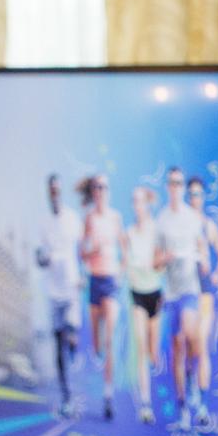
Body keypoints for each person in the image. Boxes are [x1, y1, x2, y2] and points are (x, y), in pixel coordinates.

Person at [153, 167, 207, 430]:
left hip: (190, 290)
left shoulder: (192, 218)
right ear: (167, 187)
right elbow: (155, 261)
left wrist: (205, 260)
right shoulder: (161, 221)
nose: (176, 187)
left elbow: (201, 245)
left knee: (190, 336)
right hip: (171, 293)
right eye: (172, 183)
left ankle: (194, 385)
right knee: (177, 348)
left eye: (179, 183)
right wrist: (165, 258)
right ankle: (183, 405)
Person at [33, 173, 84, 419]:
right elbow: (39, 256)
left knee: (71, 335)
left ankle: (74, 349)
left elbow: (81, 250)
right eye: (51, 191)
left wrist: (82, 275)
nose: (55, 195)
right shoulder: (43, 223)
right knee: (58, 345)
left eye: (58, 190)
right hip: (53, 294)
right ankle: (67, 398)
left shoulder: (72, 220)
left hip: (71, 289)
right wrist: (44, 258)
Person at [78, 173, 127, 420]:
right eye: (97, 187)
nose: (101, 191)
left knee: (110, 340)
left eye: (105, 187)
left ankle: (108, 395)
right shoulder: (89, 219)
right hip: (95, 282)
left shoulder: (116, 218)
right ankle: (97, 354)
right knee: (97, 345)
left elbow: (125, 249)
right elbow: (82, 253)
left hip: (110, 282)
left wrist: (120, 272)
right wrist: (93, 250)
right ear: (93, 191)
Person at [186, 175, 218, 429]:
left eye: (198, 195)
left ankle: (201, 405)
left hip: (203, 292)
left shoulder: (208, 226)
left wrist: (216, 273)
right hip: (184, 291)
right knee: (188, 348)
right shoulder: (180, 224)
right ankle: (189, 389)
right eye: (191, 194)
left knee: (201, 346)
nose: (195, 199)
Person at [124, 184, 164, 424]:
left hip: (154, 292)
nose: (137, 206)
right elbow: (125, 261)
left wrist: (157, 263)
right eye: (134, 201)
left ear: (147, 204)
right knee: (140, 348)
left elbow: (161, 263)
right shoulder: (129, 233)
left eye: (141, 201)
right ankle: (146, 404)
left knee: (152, 353)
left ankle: (156, 365)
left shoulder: (156, 230)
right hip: (136, 293)